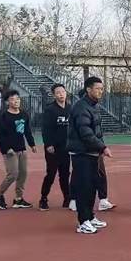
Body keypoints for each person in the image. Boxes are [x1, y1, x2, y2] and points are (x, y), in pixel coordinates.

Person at [67, 77, 112, 234]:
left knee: (92, 186)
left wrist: (99, 148)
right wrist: (103, 147)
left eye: (101, 88)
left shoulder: (94, 106)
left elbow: (97, 131)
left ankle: (90, 217)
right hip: (81, 153)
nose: (100, 91)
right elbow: (85, 132)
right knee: (84, 188)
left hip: (92, 153)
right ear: (88, 89)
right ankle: (83, 222)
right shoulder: (81, 107)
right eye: (97, 88)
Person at [0, 90, 37, 210]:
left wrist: (32, 144)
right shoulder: (4, 116)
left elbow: (27, 131)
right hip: (10, 151)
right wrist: (7, 148)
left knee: (23, 174)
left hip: (21, 148)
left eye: (17, 98)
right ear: (7, 102)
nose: (16, 101)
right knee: (13, 174)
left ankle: (18, 199)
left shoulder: (24, 114)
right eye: (12, 99)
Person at [39, 83, 71, 211]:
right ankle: (43, 198)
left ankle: (67, 198)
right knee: (51, 174)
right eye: (58, 92)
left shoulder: (70, 108)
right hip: (53, 149)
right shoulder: (50, 110)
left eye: (63, 92)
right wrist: (48, 144)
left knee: (65, 174)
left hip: (66, 148)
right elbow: (46, 129)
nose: (61, 94)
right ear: (54, 95)